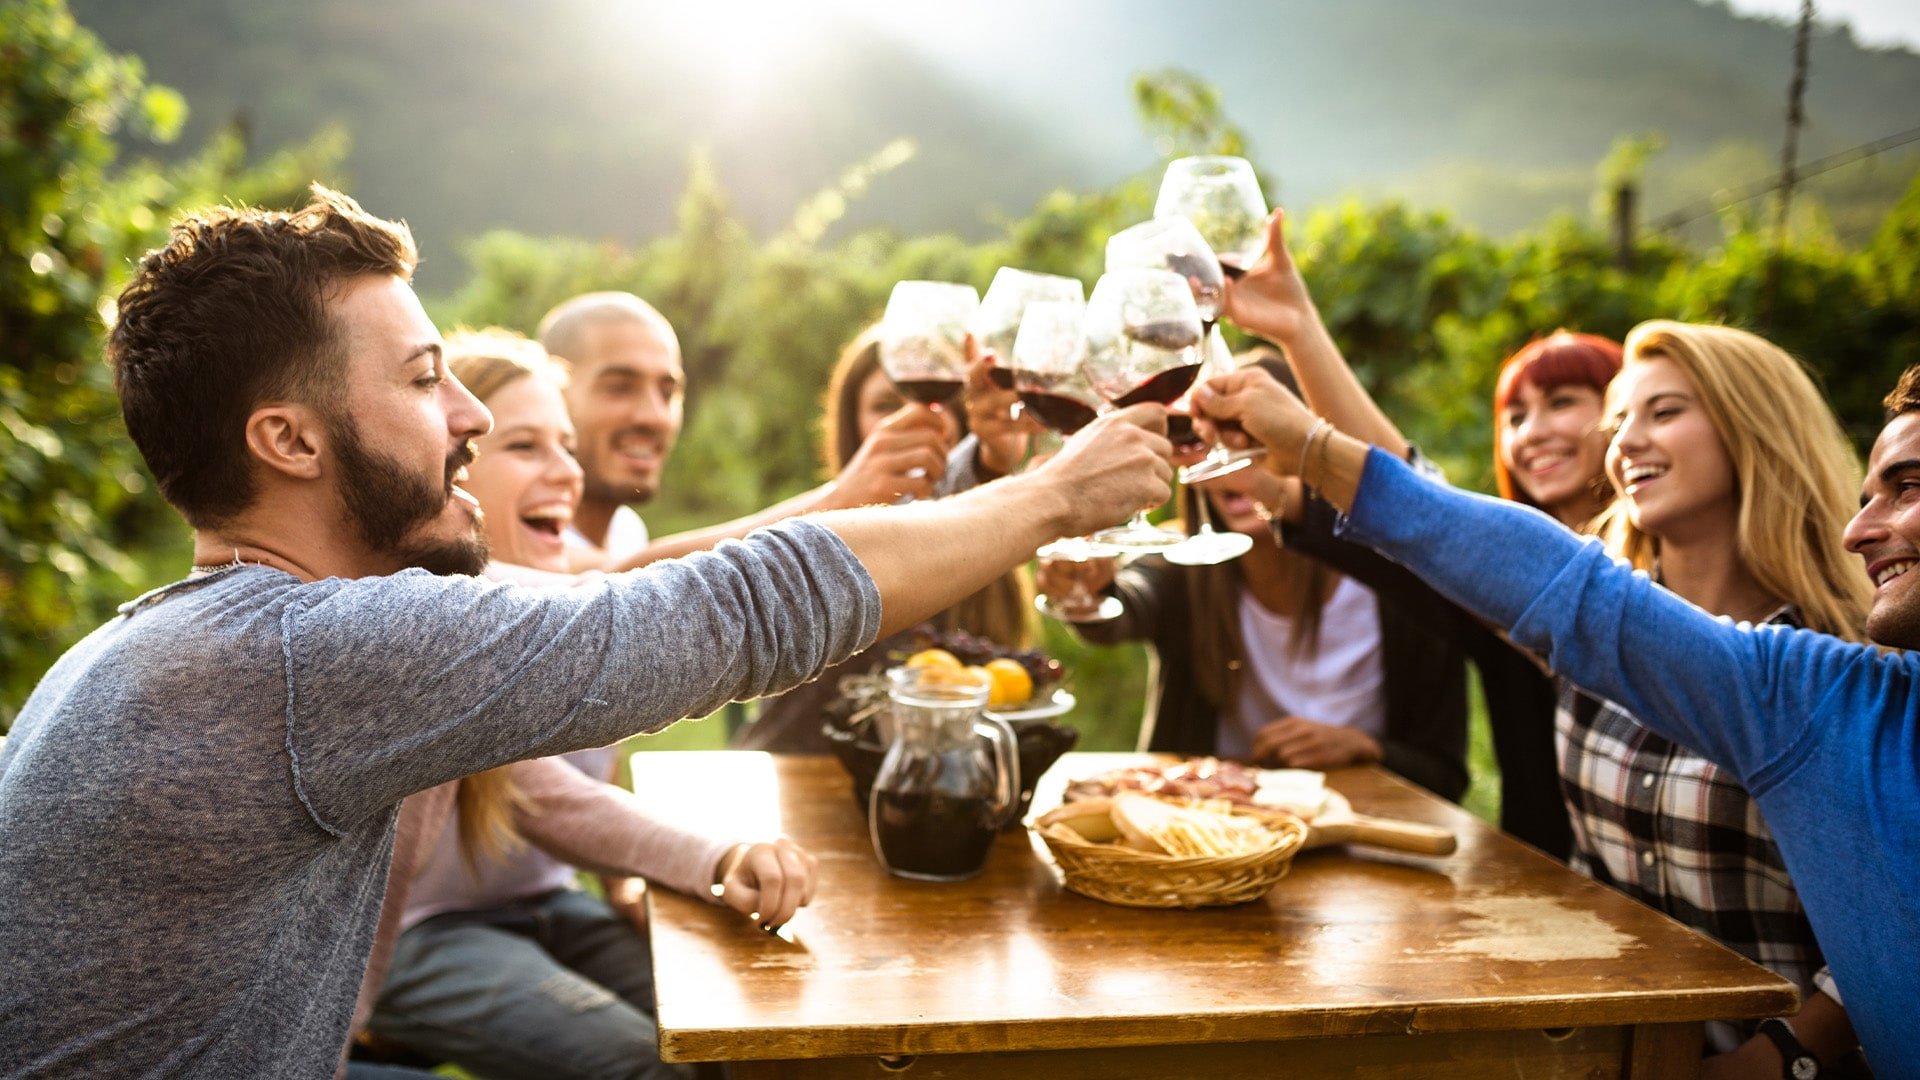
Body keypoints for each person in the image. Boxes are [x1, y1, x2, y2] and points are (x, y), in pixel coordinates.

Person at [0, 186, 1173, 1077]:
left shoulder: (207, 640)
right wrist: (1053, 498)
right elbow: (728, 609)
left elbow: (614, 596)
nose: (466, 416)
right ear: (290, 443)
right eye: (422, 381)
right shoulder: (309, 655)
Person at [1192, 352, 1916, 1076]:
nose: (1861, 530)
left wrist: (1786, 1054)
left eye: (1907, 486)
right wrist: (1302, 420)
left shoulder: (1830, 684)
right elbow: (1530, 572)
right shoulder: (1812, 691)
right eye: (1618, 419)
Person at [356, 331, 816, 1079]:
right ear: (450, 465)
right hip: (425, 934)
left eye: (566, 446)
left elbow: (572, 776)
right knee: (646, 1066)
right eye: (527, 447)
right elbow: (546, 792)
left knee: (739, 1038)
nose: (567, 474)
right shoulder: (433, 615)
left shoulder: (572, 565)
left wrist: (679, 869)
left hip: (548, 903)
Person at [1225, 213, 1621, 858]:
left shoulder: (1663, 582)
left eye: (1564, 402)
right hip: (1547, 885)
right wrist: (1267, 475)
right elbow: (1406, 517)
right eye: (1515, 416)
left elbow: (1411, 505)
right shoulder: (1505, 573)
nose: (1533, 431)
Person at [1041, 358, 1470, 798]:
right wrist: (1090, 584)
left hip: (1365, 829)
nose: (1229, 463)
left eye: (1250, 440)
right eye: (1214, 441)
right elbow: (1126, 607)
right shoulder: (1186, 568)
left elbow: (1446, 774)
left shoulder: (1399, 589)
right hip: (1216, 835)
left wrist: (1365, 747)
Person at [734, 324, 1039, 752]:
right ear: (852, 425)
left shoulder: (991, 559)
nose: (919, 418)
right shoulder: (818, 542)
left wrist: (992, 468)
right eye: (885, 404)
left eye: (948, 404)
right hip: (797, 781)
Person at [536, 293, 952, 568]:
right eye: (619, 387)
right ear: (550, 393)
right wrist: (840, 498)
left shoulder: (626, 530)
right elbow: (626, 578)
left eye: (668, 392)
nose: (654, 417)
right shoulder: (518, 541)